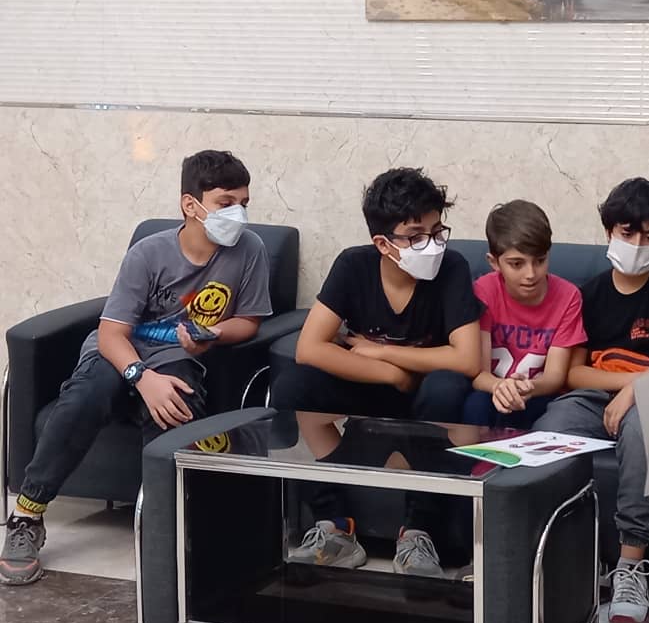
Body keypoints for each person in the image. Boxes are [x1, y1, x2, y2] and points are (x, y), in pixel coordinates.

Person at [1, 150, 273, 586]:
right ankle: (27, 516)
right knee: (86, 396)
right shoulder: (149, 253)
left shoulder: (250, 250)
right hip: (120, 353)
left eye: (244, 203)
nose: (237, 214)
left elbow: (250, 321)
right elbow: (111, 334)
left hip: (178, 359)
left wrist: (215, 334)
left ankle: (166, 530)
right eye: (226, 203)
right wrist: (141, 378)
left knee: (177, 409)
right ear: (191, 205)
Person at [270, 167, 480, 577]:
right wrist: (390, 373)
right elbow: (309, 348)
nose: (432, 245)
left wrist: (383, 351)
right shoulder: (353, 265)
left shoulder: (452, 267)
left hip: (426, 392)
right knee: (292, 386)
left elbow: (467, 359)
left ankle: (418, 532)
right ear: (383, 243)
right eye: (416, 236)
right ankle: (335, 526)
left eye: (438, 231)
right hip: (373, 384)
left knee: (448, 389)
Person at [533, 177, 649, 623]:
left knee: (641, 427)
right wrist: (626, 383)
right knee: (549, 430)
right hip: (594, 397)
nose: (637, 245)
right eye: (628, 233)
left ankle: (631, 568)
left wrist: (637, 390)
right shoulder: (589, 293)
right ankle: (565, 557)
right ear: (609, 230)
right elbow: (573, 373)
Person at [462, 200, 587, 429]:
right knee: (476, 404)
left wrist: (527, 388)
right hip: (491, 390)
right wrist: (500, 387)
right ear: (494, 262)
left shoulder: (569, 296)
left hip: (539, 394)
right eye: (517, 264)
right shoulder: (484, 291)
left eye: (540, 261)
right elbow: (478, 373)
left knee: (553, 411)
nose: (531, 274)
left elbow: (555, 377)